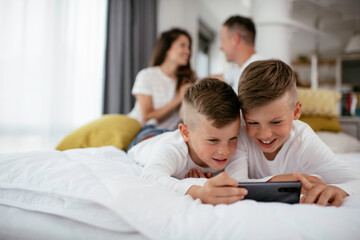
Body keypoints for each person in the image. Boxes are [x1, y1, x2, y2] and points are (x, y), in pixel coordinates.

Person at [237, 59, 360, 206]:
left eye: (276, 122)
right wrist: (281, 181)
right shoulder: (239, 132)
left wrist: (339, 190)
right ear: (243, 116)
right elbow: (234, 184)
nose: (265, 135)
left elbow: (355, 180)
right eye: (253, 123)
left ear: (296, 112)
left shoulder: (304, 140)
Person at [127, 78, 249, 205]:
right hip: (147, 140)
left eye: (233, 138)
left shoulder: (235, 146)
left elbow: (239, 184)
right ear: (186, 133)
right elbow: (151, 175)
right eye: (213, 140)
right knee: (149, 133)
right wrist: (199, 192)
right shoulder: (172, 149)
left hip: (183, 134)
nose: (225, 151)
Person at [127, 28, 196, 131]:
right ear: (167, 48)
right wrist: (178, 99)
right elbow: (147, 117)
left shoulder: (188, 79)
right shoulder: (146, 75)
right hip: (142, 130)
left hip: (169, 134)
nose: (188, 51)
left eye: (189, 47)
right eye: (182, 45)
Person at [212, 15, 264, 93]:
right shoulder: (241, 68)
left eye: (223, 41)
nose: (221, 47)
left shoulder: (256, 71)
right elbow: (217, 79)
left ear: (235, 39)